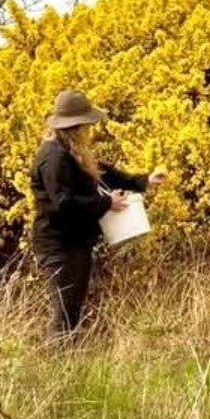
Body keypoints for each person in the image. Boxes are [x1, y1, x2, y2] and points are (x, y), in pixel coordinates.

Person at [29, 89, 166, 339]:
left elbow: (106, 174)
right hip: (58, 246)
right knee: (64, 314)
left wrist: (144, 180)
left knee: (72, 311)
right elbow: (64, 203)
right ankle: (58, 367)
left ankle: (65, 365)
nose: (90, 130)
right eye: (87, 125)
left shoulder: (72, 151)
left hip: (74, 243)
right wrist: (105, 203)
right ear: (76, 126)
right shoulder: (54, 157)